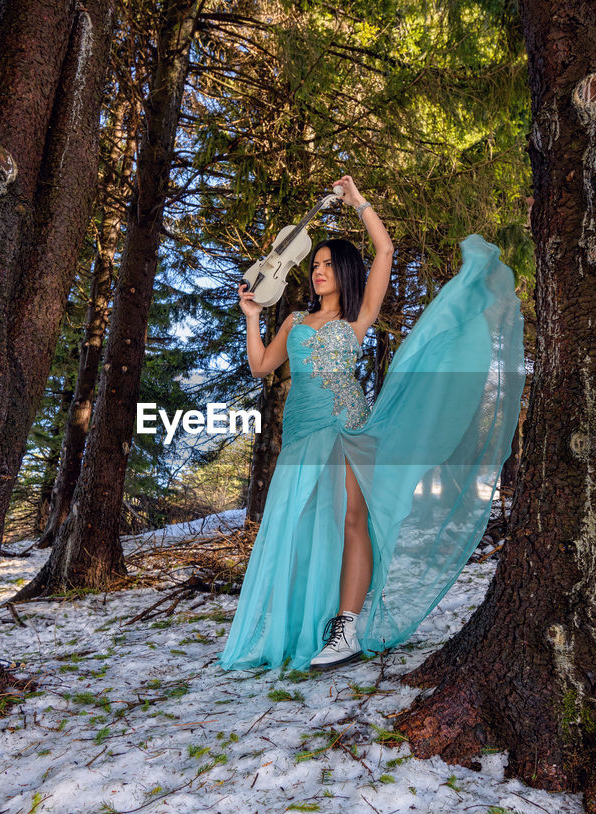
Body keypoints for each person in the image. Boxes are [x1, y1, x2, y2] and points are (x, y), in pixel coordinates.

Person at [219, 175, 526, 672]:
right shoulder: (295, 320)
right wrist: (252, 314)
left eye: (326, 264)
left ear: (343, 270)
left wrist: (357, 200)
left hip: (348, 430)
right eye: (313, 265)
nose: (318, 272)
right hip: (299, 436)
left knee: (352, 521)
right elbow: (261, 367)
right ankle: (301, 624)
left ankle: (346, 627)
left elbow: (382, 251)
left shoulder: (357, 320)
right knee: (299, 527)